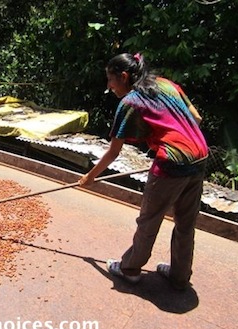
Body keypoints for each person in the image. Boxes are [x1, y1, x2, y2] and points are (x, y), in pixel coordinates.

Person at [79, 53, 208, 290]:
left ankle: (129, 269)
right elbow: (196, 119)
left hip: (172, 162)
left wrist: (90, 177)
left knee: (150, 219)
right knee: (185, 223)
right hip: (200, 155)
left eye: (110, 80)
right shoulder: (167, 85)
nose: (109, 86)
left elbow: (113, 152)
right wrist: (176, 148)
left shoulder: (131, 102)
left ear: (124, 76)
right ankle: (180, 276)